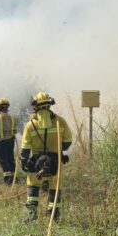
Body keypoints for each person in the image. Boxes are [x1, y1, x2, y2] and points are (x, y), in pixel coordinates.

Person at [19, 92, 72, 221]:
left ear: (35, 107)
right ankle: (53, 214)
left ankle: (31, 215)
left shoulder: (30, 125)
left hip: (36, 162)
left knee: (33, 185)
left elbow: (25, 148)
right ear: (50, 105)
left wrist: (24, 162)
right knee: (55, 187)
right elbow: (68, 142)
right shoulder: (60, 121)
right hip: (55, 160)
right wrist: (58, 148)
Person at [0, 97, 18, 184]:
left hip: (0, 142)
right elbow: (15, 130)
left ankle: (8, 179)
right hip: (10, 142)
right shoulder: (12, 118)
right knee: (10, 159)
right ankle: (14, 178)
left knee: (3, 160)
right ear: (7, 107)